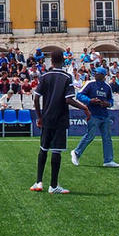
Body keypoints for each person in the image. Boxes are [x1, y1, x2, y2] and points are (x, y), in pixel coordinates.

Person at [30, 50, 90, 194]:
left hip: (47, 118)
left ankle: (38, 182)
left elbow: (36, 98)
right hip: (60, 119)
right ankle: (53, 185)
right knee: (56, 151)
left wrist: (39, 117)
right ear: (63, 61)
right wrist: (85, 108)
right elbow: (68, 99)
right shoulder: (66, 77)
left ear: (51, 61)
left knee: (43, 149)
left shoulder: (44, 76)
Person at [71, 67, 119, 167]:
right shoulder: (90, 83)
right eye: (95, 73)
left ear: (103, 75)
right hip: (93, 114)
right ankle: (76, 152)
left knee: (107, 138)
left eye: (97, 73)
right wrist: (90, 101)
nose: (95, 74)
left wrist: (107, 104)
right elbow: (79, 95)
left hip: (104, 115)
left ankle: (108, 160)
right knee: (90, 136)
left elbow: (111, 100)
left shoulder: (107, 87)